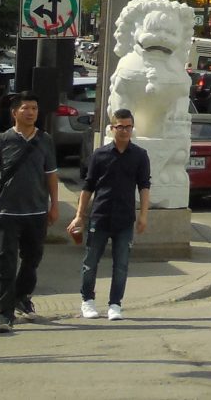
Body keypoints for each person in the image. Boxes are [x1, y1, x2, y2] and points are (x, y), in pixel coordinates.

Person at [0, 92, 60, 334]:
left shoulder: (45, 140)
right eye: (25, 108)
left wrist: (55, 205)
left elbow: (51, 175)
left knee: (32, 261)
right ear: (15, 113)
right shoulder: (3, 140)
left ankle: (21, 296)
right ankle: (4, 314)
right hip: (8, 212)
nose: (31, 112)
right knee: (5, 264)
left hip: (36, 212)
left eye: (34, 108)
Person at [69, 108, 150, 321]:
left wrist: (143, 215)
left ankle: (115, 304)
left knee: (121, 264)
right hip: (100, 216)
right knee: (91, 261)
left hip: (125, 218)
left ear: (132, 128)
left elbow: (144, 186)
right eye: (120, 126)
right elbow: (88, 187)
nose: (124, 131)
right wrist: (79, 215)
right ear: (112, 128)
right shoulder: (100, 155)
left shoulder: (140, 155)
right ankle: (87, 300)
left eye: (128, 127)